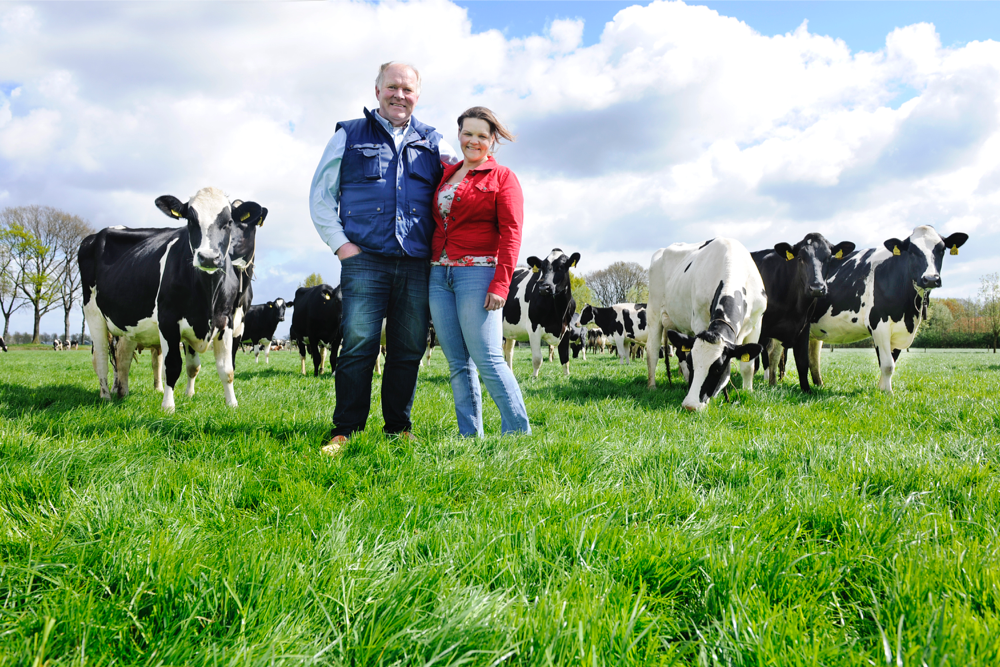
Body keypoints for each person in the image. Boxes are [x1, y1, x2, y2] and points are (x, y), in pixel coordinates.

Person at [310, 62, 459, 454]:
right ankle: (345, 430)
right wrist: (342, 246)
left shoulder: (434, 143)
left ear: (418, 95)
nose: (400, 96)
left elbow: (457, 193)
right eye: (392, 87)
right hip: (365, 260)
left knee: (408, 346)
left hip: (415, 262)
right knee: (358, 345)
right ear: (377, 91)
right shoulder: (349, 134)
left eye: (408, 90)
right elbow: (321, 196)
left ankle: (398, 427)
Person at [427, 107, 531, 436]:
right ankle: (470, 437)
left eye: (482, 136)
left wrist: (501, 285)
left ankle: (517, 434)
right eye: (468, 133)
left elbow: (512, 233)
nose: (474, 141)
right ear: (458, 135)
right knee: (457, 362)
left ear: (492, 141)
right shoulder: (446, 174)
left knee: (487, 358)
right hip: (438, 275)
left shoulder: (503, 178)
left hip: (478, 273)